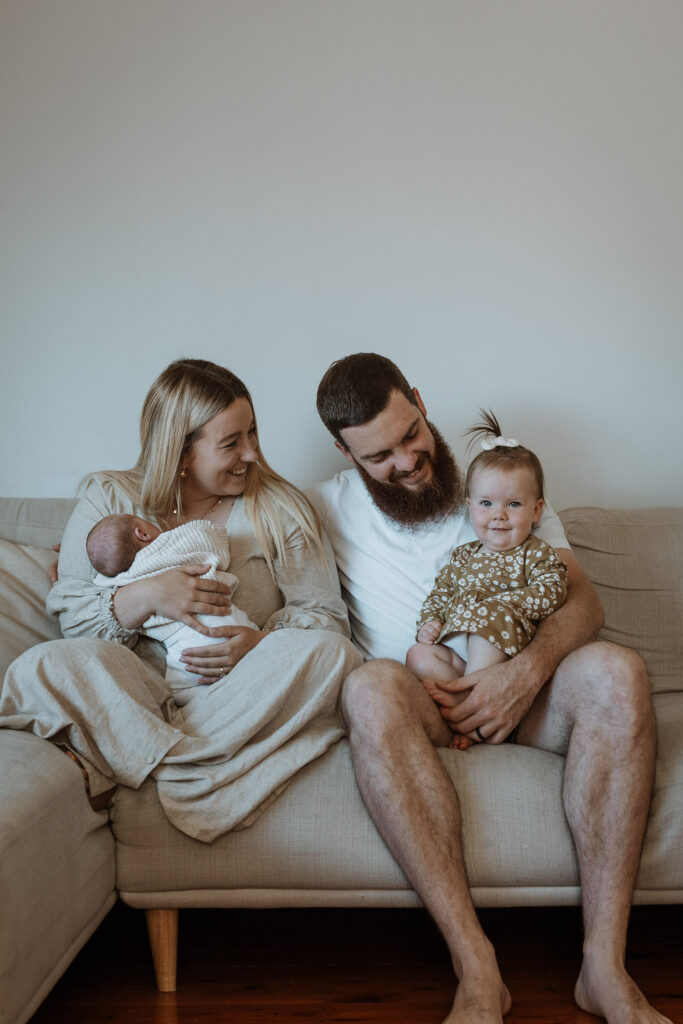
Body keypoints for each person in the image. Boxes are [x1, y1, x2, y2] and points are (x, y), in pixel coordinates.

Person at [310, 353, 667, 1024]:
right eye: (379, 456)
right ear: (343, 450)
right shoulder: (320, 509)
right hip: (424, 700)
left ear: (419, 400)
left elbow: (582, 603)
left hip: (523, 696)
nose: (407, 462)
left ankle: (604, 968)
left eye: (410, 434)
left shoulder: (498, 482)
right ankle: (476, 969)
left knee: (617, 671)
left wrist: (521, 673)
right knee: (367, 689)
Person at [0, 358, 361, 842]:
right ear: (182, 450)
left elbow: (326, 618)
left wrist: (258, 641)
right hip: (135, 695)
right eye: (231, 442)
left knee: (332, 655)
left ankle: (144, 760)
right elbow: (72, 617)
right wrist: (147, 594)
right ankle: (198, 770)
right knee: (43, 666)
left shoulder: (280, 508)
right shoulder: (108, 498)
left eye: (252, 433)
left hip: (235, 693)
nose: (251, 453)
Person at [406, 411, 567, 749]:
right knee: (418, 656)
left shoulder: (535, 553)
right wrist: (431, 621)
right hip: (465, 656)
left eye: (513, 504)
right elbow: (442, 591)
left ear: (536, 511)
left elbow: (554, 589)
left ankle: (475, 720)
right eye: (486, 503)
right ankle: (466, 707)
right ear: (470, 507)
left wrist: (506, 604)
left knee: (489, 620)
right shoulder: (464, 555)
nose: (499, 514)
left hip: (506, 654)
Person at [86, 513, 257, 704]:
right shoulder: (172, 545)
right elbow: (208, 540)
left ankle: (210, 701)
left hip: (187, 646)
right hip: (228, 619)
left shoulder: (122, 580)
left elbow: (100, 596)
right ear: (141, 533)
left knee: (178, 691)